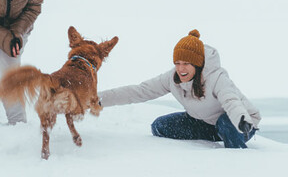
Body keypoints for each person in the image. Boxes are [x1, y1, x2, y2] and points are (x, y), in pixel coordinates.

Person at [98, 29, 262, 148]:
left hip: (240, 122)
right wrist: (96, 99)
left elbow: (231, 101)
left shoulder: (217, 77)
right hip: (205, 123)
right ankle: (215, 138)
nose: (180, 68)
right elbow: (139, 91)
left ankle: (238, 159)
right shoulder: (172, 78)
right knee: (160, 126)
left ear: (197, 65)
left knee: (225, 123)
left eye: (186, 64)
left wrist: (242, 121)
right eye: (177, 63)